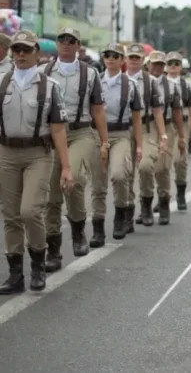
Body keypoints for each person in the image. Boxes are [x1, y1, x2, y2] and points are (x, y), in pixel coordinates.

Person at [0, 30, 72, 294]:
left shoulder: (49, 86)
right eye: (16, 50)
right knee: (10, 215)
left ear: (36, 54)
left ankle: (38, 266)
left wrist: (66, 167)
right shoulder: (1, 82)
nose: (20, 54)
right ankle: (16, 274)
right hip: (6, 153)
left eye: (26, 50)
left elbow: (58, 130)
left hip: (38, 154)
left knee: (30, 211)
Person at [40, 27, 108, 273]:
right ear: (57, 44)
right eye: (62, 40)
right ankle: (53, 248)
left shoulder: (90, 74)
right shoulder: (43, 71)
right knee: (51, 193)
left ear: (79, 45)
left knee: (75, 180)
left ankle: (78, 230)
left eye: (72, 41)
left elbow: (98, 110)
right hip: (51, 135)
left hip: (80, 132)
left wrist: (104, 142)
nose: (66, 44)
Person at [96, 43, 143, 240]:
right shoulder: (95, 81)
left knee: (119, 175)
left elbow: (137, 117)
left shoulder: (130, 84)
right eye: (107, 54)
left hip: (121, 133)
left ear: (122, 59)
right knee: (98, 184)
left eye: (116, 55)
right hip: (97, 134)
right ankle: (98, 228)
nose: (111, 58)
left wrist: (139, 144)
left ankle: (120, 216)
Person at [135, 51, 184, 226]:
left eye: (161, 65)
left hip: (166, 127)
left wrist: (182, 136)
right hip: (145, 126)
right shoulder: (139, 82)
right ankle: (145, 204)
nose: (157, 68)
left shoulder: (171, 86)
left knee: (162, 167)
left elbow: (177, 112)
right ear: (147, 64)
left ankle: (164, 202)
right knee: (144, 166)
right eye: (154, 64)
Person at [124, 43, 167, 234]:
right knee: (125, 173)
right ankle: (127, 211)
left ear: (142, 61)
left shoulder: (150, 82)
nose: (133, 61)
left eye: (137, 58)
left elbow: (158, 110)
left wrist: (163, 135)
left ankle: (147, 204)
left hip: (147, 127)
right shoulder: (119, 80)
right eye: (131, 57)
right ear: (126, 60)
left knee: (146, 166)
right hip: (124, 129)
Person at [172, 54, 191, 210]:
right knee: (159, 165)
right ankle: (162, 197)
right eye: (170, 63)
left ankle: (180, 193)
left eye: (176, 63)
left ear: (181, 67)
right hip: (164, 126)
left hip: (182, 124)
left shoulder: (186, 85)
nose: (173, 66)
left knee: (180, 160)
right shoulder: (158, 84)